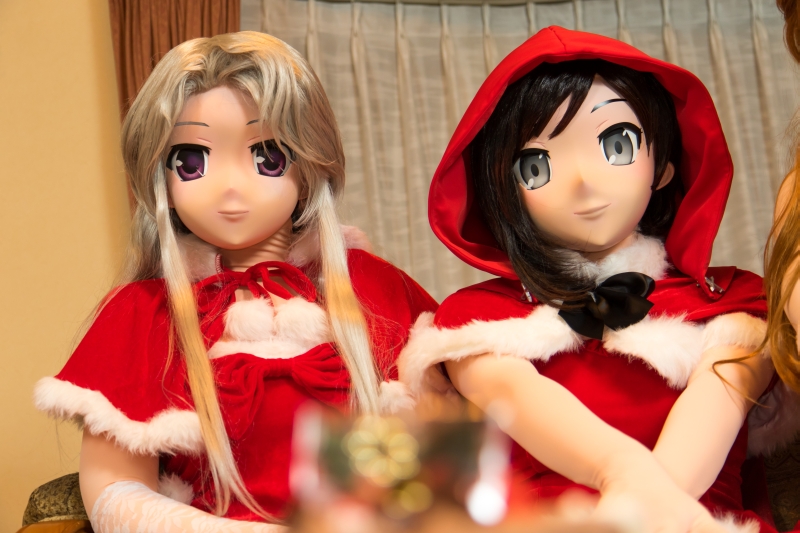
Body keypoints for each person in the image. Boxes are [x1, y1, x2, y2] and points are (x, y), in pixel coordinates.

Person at [33, 31, 436, 532]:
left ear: (311, 163)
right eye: (192, 161)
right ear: (161, 177)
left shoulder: (373, 289)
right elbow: (113, 493)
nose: (229, 187)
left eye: (267, 156)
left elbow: (453, 465)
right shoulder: (143, 313)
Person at [398, 26, 777, 533]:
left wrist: (633, 514)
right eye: (536, 165)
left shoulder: (732, 303)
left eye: (616, 144)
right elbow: (518, 398)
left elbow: (713, 415)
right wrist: (618, 478)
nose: (582, 181)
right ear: (505, 192)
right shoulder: (477, 319)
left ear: (663, 164)